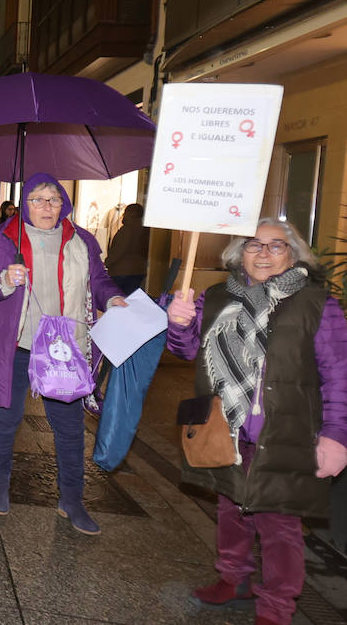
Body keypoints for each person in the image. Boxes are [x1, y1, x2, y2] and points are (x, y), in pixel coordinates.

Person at [166, 218, 347, 625]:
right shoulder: (214, 297)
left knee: (280, 523)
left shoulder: (317, 303)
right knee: (231, 507)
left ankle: (277, 607)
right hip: (225, 427)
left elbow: (340, 374)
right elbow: (187, 350)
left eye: (276, 246)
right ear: (237, 253)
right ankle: (234, 579)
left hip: (285, 432)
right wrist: (178, 325)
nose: (263, 253)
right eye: (253, 244)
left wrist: (337, 436)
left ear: (294, 255)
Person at [0, 173, 126, 535]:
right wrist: (4, 280)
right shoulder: (5, 237)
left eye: (53, 200)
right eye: (37, 200)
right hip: (16, 343)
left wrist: (112, 297)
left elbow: (98, 281)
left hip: (63, 348)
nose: (46, 207)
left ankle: (72, 500)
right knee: (5, 418)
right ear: (25, 204)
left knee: (69, 428)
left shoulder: (81, 240)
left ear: (64, 205)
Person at [105, 203, 149, 296]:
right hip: (139, 271)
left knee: (118, 301)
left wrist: (108, 262)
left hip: (121, 271)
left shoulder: (127, 230)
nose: (123, 215)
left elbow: (119, 251)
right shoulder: (145, 230)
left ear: (131, 214)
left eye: (126, 212)